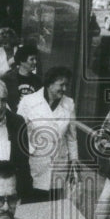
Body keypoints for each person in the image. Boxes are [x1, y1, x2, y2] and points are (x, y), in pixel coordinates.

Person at [17, 66, 80, 201]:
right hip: (35, 162)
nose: (64, 89)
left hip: (59, 163)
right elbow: (18, 132)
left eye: (66, 85)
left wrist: (74, 162)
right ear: (49, 83)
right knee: (32, 204)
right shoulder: (28, 101)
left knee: (53, 205)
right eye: (61, 85)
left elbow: (72, 137)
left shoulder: (69, 104)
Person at [2, 43, 42, 112]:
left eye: (35, 59)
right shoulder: (7, 79)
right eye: (32, 59)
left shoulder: (38, 81)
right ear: (22, 61)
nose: (35, 62)